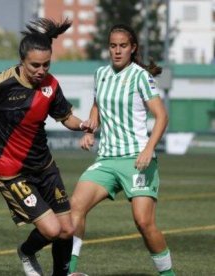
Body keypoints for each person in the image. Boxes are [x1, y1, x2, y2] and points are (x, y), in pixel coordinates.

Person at [0, 18, 91, 276]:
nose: (41, 70)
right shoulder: (0, 84)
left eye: (46, 64)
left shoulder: (51, 84)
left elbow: (66, 118)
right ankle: (26, 253)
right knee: (51, 230)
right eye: (35, 65)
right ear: (22, 61)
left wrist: (84, 124)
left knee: (67, 229)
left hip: (45, 167)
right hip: (11, 171)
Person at [68, 24, 175, 276]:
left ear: (132, 48)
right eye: (113, 46)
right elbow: (98, 105)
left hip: (136, 159)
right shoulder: (101, 74)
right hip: (106, 159)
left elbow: (161, 116)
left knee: (144, 222)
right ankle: (68, 272)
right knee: (75, 207)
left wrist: (149, 149)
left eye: (123, 46)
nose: (117, 51)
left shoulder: (141, 76)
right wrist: (89, 130)